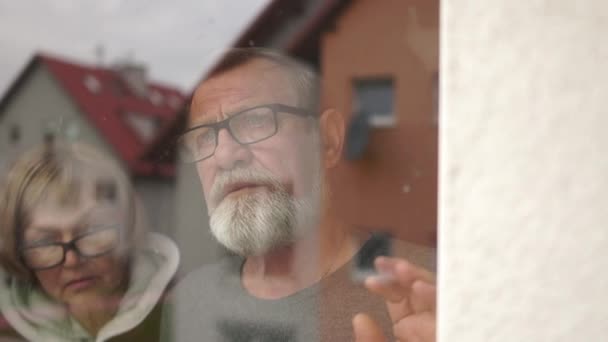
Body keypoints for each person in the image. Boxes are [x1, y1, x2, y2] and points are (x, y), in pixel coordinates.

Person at [163, 48, 436, 341]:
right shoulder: (189, 301)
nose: (226, 156)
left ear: (328, 141)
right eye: (204, 137)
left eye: (255, 120)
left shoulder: (425, 289)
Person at [0, 142, 179, 341]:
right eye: (45, 242)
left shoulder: (188, 312)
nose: (72, 261)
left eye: (92, 230)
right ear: (19, 254)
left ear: (127, 228)